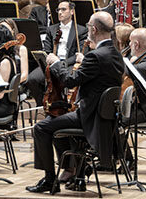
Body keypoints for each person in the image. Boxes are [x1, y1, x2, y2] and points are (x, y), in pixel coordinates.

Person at [27, 11, 124, 193]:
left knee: (42, 127)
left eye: (88, 26)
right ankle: (75, 171)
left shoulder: (96, 56)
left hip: (89, 117)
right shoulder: (115, 53)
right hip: (103, 117)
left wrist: (56, 63)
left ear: (93, 29)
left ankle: (50, 180)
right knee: (57, 121)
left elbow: (71, 80)